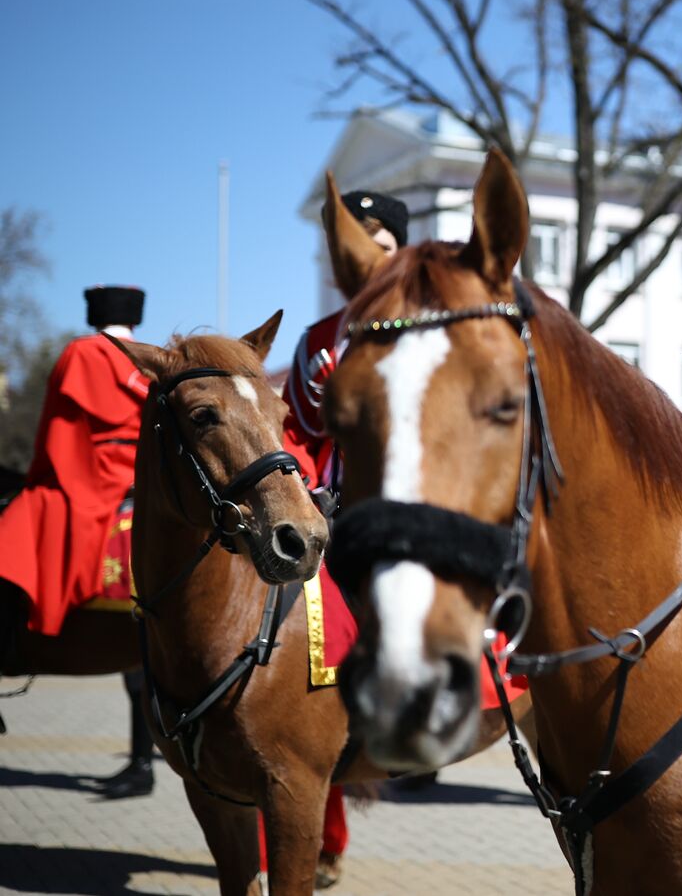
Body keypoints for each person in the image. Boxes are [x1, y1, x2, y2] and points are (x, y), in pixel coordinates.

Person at [277, 189, 409, 889]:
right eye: (352, 245)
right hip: (329, 517)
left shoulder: (430, 325)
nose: (362, 257)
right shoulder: (318, 339)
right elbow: (297, 432)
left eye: (379, 243)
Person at [0, 286, 156, 797]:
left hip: (89, 475)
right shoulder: (149, 361)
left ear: (94, 314)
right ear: (135, 318)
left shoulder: (82, 352)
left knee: (16, 528)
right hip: (139, 480)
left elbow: (60, 427)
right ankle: (142, 760)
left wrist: (41, 477)